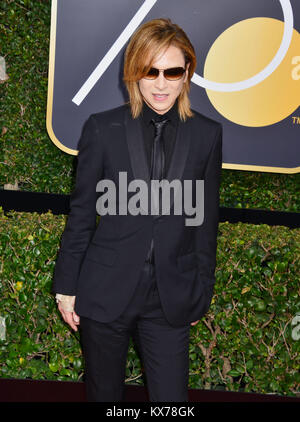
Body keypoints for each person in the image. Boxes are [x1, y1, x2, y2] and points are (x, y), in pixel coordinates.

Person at [52, 17, 222, 402]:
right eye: (150, 71)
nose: (161, 83)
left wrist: (202, 290)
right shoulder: (102, 129)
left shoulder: (207, 134)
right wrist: (66, 287)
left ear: (186, 74)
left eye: (172, 71)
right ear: (134, 73)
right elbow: (81, 215)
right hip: (104, 289)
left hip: (170, 298)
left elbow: (206, 221)